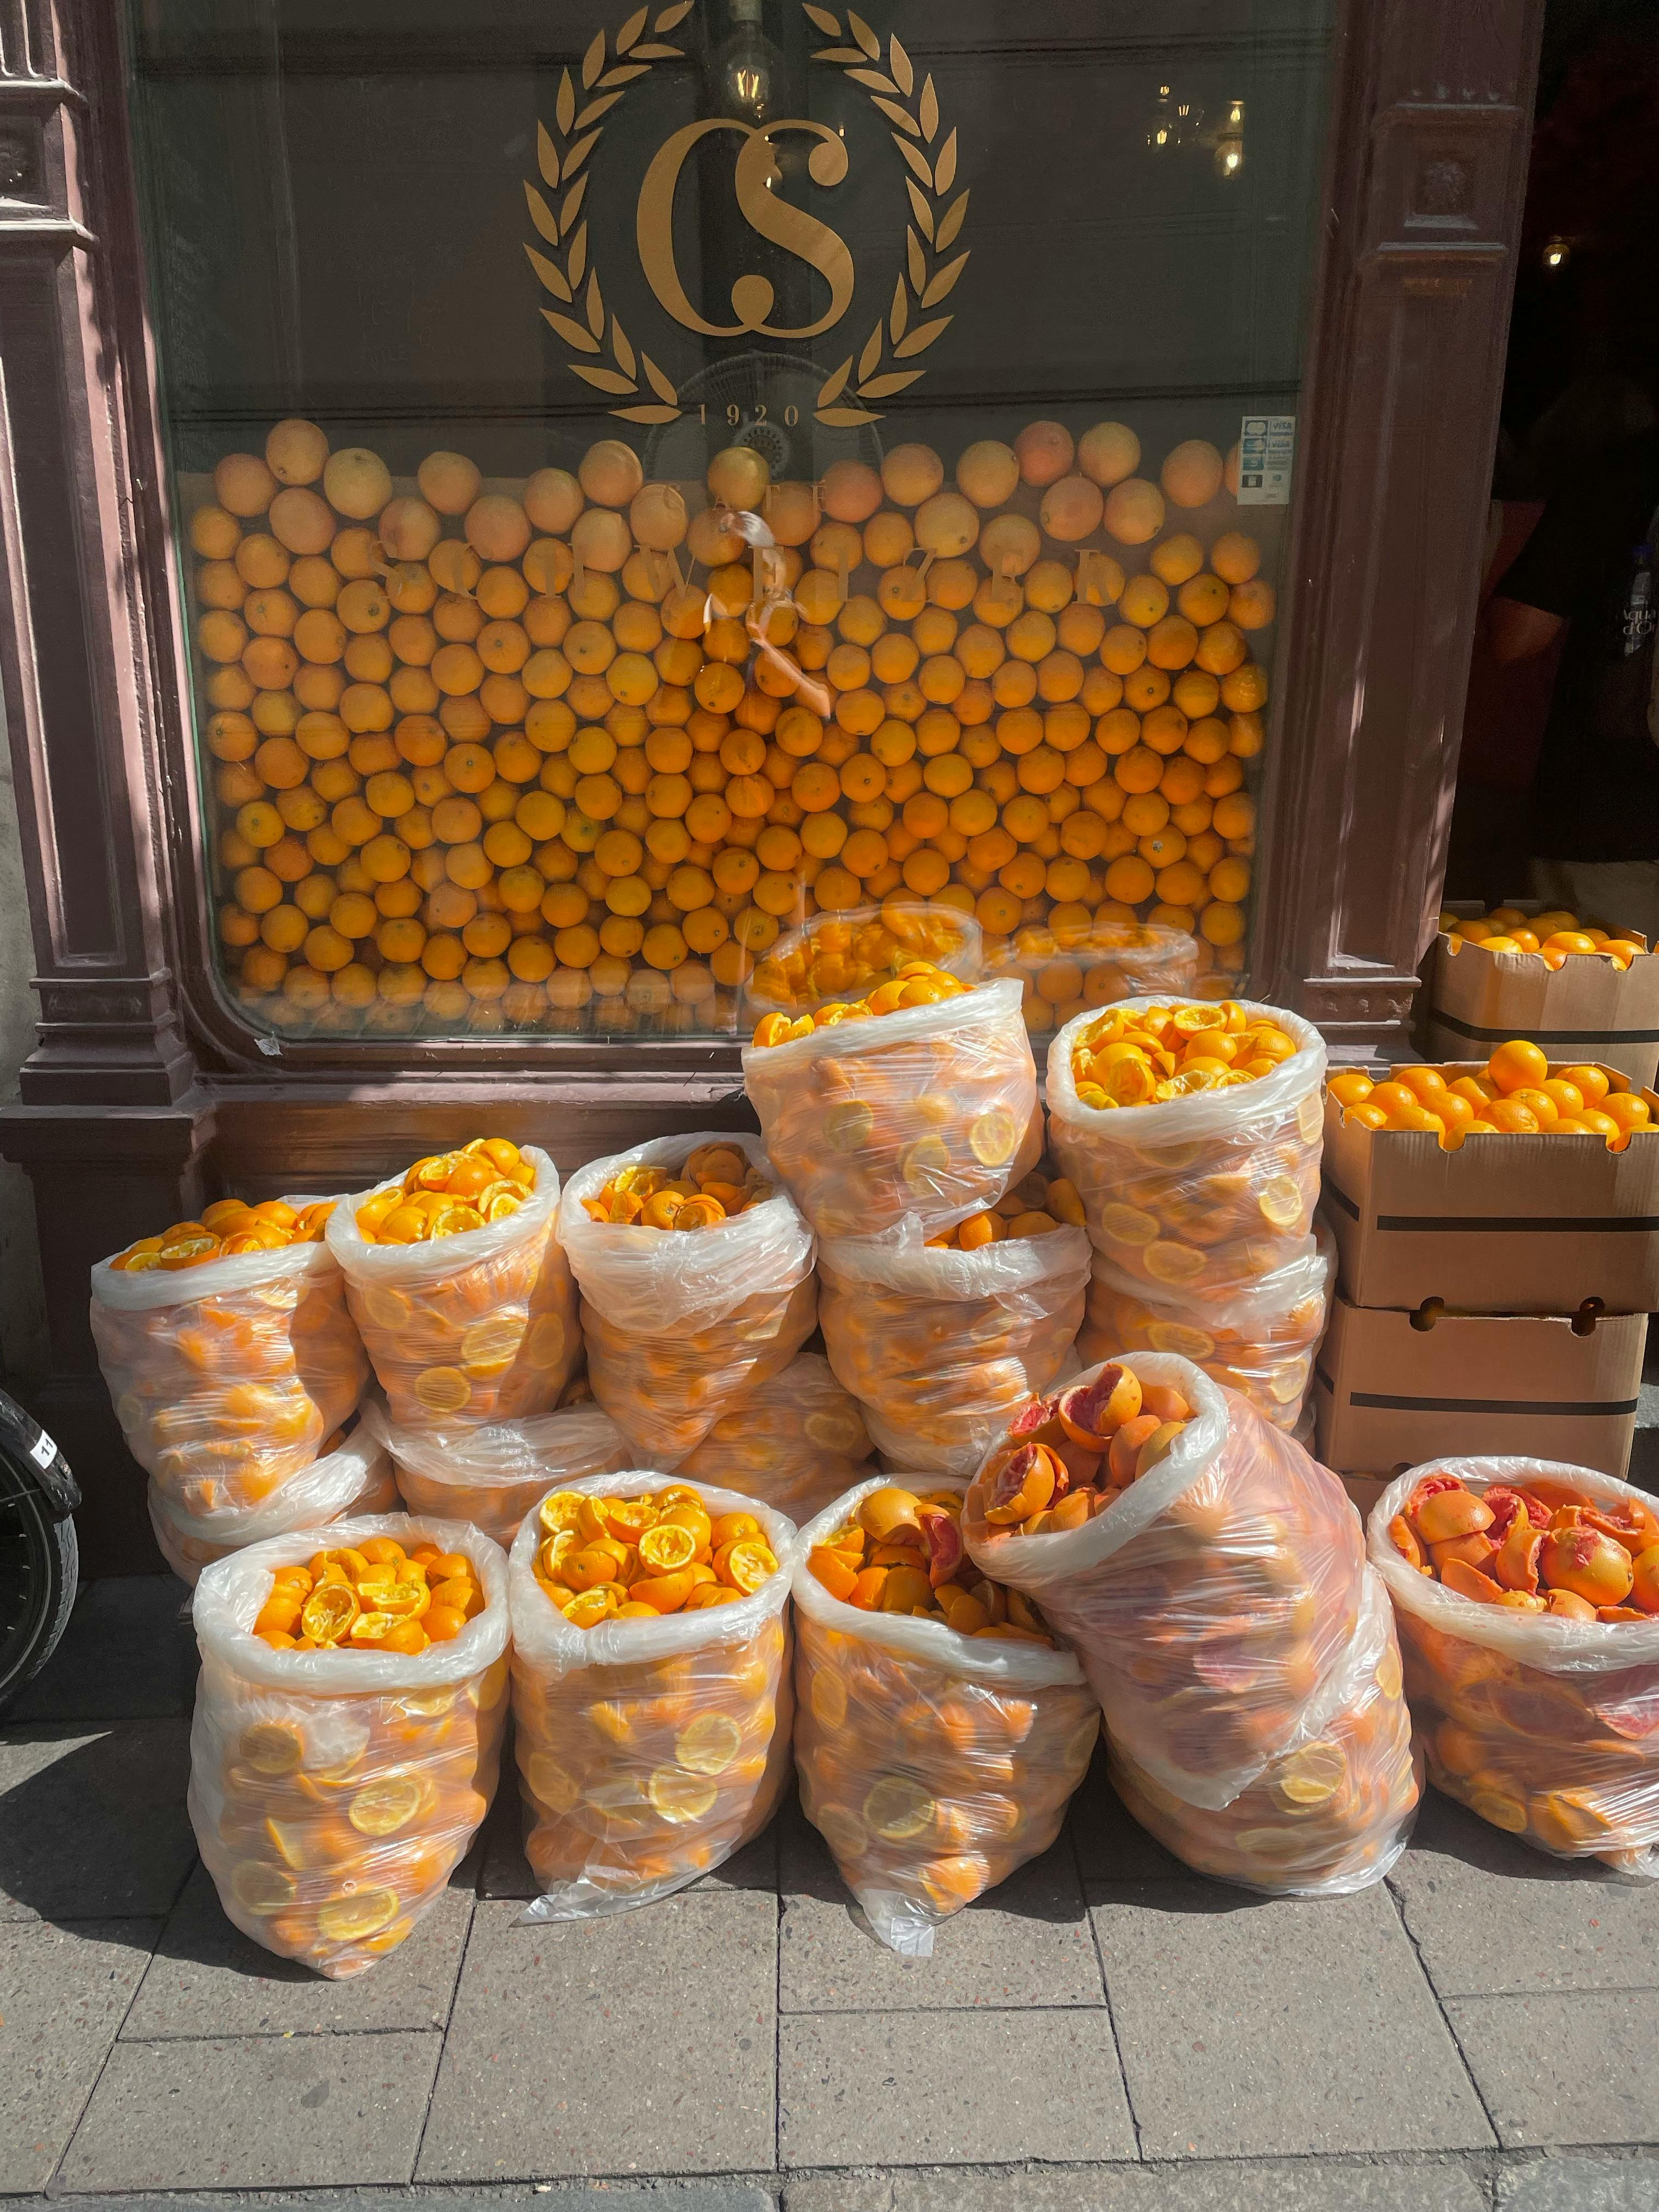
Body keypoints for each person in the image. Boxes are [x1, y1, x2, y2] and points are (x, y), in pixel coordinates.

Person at [1488, 422, 1659, 939]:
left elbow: (1515, 637)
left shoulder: (1623, 473)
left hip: (1608, 819)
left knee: (1595, 987)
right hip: (1610, 822)